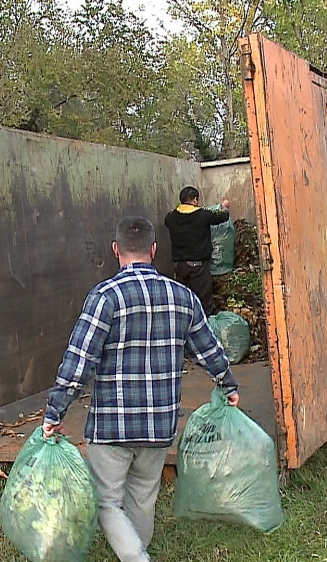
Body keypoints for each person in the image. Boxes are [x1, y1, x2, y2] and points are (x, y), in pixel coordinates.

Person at [42, 216, 240, 562]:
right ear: (153, 249)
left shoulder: (105, 297)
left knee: (106, 500)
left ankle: (137, 558)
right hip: (158, 425)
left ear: (116, 250)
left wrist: (55, 411)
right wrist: (228, 383)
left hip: (112, 427)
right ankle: (137, 551)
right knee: (143, 497)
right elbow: (209, 349)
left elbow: (79, 361)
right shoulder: (184, 297)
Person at [164, 186, 231, 317]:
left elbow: (168, 218)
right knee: (204, 303)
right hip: (199, 268)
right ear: (195, 200)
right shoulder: (202, 215)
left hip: (180, 268)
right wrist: (224, 206)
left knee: (183, 302)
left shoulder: (171, 218)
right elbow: (223, 216)